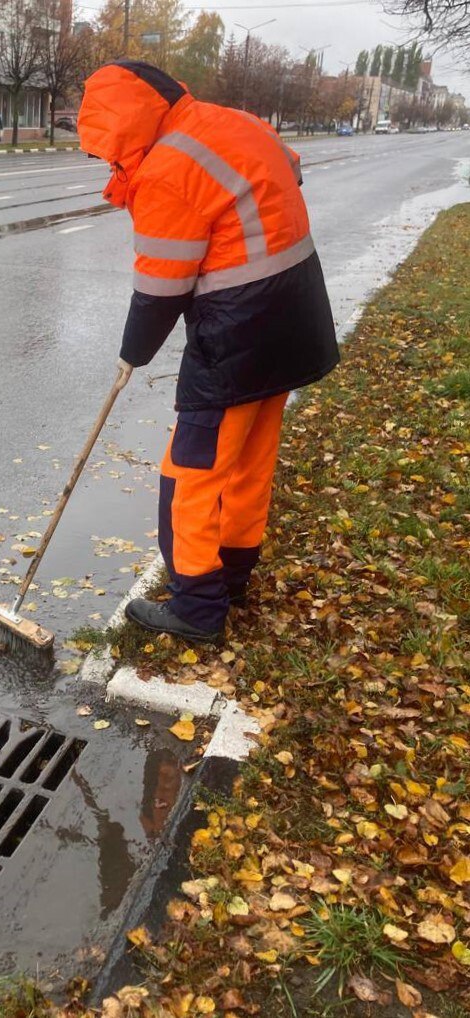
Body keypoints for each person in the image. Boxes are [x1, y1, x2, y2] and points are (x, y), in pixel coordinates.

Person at [77, 61, 339, 644]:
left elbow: (160, 286)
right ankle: (234, 575)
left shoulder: (168, 169)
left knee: (189, 472)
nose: (106, 161)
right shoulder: (233, 120)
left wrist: (131, 356)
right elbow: (289, 173)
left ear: (123, 126)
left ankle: (197, 606)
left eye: (106, 149)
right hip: (295, 316)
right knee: (249, 459)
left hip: (238, 334)